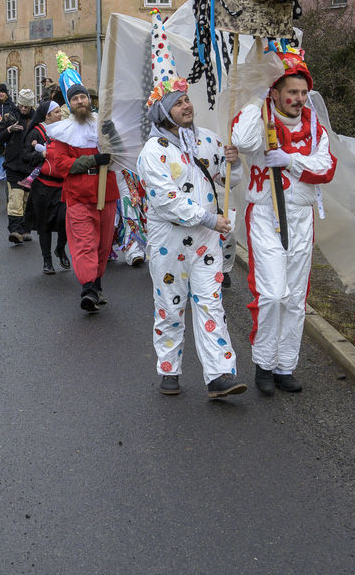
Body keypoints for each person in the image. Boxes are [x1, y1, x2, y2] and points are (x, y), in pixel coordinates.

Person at [231, 48, 336, 396]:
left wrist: (290, 161)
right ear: (275, 92)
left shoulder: (314, 125)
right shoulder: (260, 118)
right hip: (265, 216)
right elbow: (243, 142)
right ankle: (263, 362)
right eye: (291, 92)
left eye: (303, 93)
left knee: (294, 299)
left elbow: (326, 168)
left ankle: (284, 365)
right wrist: (256, 100)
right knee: (272, 294)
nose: (299, 99)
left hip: (301, 218)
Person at [138, 57, 244, 398]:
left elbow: (228, 181)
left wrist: (234, 162)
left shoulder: (209, 141)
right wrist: (210, 218)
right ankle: (169, 369)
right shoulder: (152, 153)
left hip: (206, 243)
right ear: (164, 112)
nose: (187, 105)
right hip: (168, 242)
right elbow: (166, 201)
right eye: (178, 102)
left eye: (187, 99)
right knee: (170, 305)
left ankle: (219, 375)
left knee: (211, 304)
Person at [44, 81, 118, 311]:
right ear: (70, 103)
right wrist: (92, 160)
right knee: (85, 243)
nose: (80, 101)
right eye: (75, 99)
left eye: (83, 97)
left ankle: (96, 284)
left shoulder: (103, 125)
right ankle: (88, 288)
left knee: (103, 245)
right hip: (78, 195)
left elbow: (121, 152)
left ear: (89, 100)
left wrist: (112, 145)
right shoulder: (63, 131)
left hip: (106, 193)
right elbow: (60, 164)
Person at [23, 99, 70, 274]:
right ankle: (47, 260)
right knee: (44, 225)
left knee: (65, 219)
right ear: (47, 115)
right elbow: (26, 156)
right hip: (42, 186)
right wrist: (43, 154)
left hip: (62, 185)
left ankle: (60, 248)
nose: (60, 114)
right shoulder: (35, 133)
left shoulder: (65, 130)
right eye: (57, 112)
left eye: (60, 111)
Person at [0, 89, 38, 244]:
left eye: (26, 107)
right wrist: (9, 130)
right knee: (15, 198)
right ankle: (15, 230)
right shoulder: (9, 116)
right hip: (13, 165)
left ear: (31, 105)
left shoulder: (37, 120)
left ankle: (25, 229)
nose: (23, 109)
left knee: (26, 199)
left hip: (30, 166)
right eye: (21, 106)